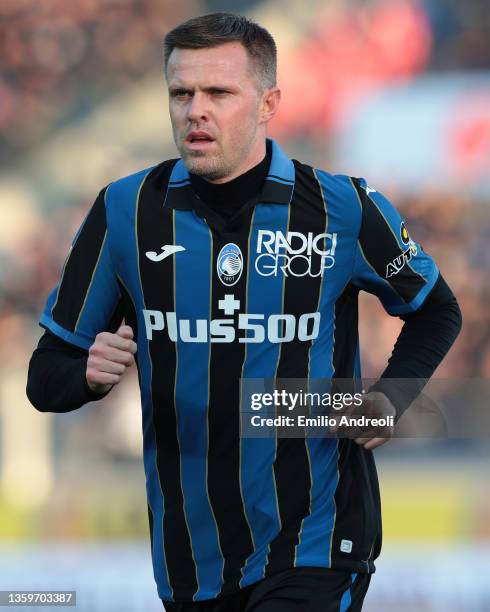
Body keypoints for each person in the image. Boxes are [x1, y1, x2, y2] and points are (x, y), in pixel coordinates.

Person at [27, 12, 462, 612]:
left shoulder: (343, 206)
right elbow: (45, 377)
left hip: (318, 537)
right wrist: (84, 373)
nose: (195, 110)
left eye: (218, 93)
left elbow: (436, 310)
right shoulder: (124, 211)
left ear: (267, 102)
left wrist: (386, 400)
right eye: (181, 93)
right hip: (190, 557)